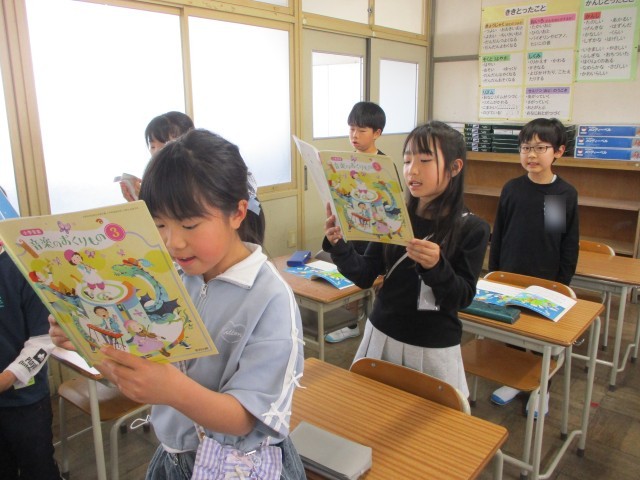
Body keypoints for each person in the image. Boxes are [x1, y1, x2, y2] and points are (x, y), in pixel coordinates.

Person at [50, 129, 305, 480]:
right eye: (159, 224)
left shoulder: (269, 298)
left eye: (189, 224)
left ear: (237, 213)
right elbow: (142, 377)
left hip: (239, 466)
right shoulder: (168, 280)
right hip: (175, 457)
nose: (173, 242)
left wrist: (172, 390)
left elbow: (246, 418)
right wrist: (86, 339)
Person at [323, 121, 490, 397]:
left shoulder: (472, 228)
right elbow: (365, 274)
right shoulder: (392, 214)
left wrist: (436, 267)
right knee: (370, 410)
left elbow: (462, 297)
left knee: (432, 421)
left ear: (454, 167)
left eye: (425, 160)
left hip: (432, 344)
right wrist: (339, 246)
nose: (412, 170)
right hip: (381, 333)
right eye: (407, 160)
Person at [488, 117, 579, 414]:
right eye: (526, 147)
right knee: (513, 332)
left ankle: (542, 388)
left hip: (546, 279)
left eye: (540, 148)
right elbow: (500, 233)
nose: (531, 154)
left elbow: (562, 241)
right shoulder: (512, 189)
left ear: (558, 151)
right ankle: (517, 380)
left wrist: (561, 282)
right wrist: (494, 273)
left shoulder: (560, 193)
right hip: (509, 275)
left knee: (542, 338)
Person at [325, 101, 386, 344]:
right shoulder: (345, 162)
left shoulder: (384, 164)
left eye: (361, 130)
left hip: (375, 233)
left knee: (371, 276)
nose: (354, 135)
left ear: (377, 133)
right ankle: (350, 323)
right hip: (351, 227)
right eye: (351, 129)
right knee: (350, 273)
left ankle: (372, 323)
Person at [1, 232, 60, 478]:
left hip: (24, 401)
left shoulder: (21, 266)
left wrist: (6, 378)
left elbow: (43, 339)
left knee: (38, 468)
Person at [120, 111, 195, 202]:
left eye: (165, 146)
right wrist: (138, 202)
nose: (156, 152)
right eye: (153, 147)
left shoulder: (197, 181)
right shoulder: (154, 181)